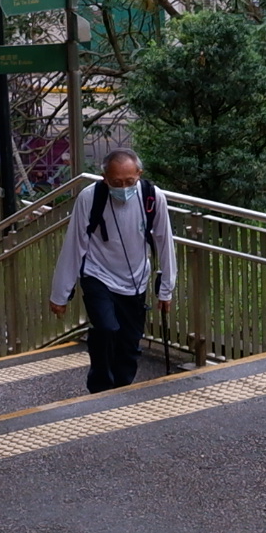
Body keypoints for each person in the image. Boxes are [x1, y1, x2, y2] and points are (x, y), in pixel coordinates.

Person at [47, 145, 175, 393]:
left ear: (139, 174)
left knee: (129, 343)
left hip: (136, 280)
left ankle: (121, 389)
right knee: (106, 329)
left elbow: (164, 242)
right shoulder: (89, 198)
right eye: (117, 182)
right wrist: (60, 295)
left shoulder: (152, 197)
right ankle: (100, 387)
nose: (124, 188)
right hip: (98, 275)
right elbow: (74, 245)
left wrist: (166, 290)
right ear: (105, 178)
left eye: (129, 181)